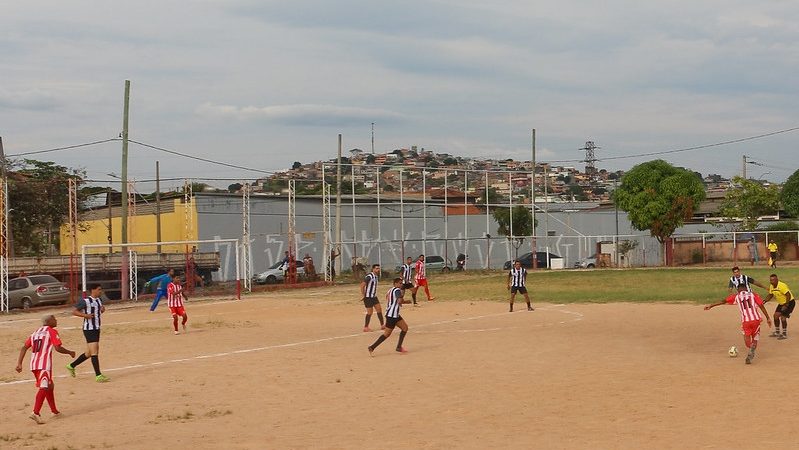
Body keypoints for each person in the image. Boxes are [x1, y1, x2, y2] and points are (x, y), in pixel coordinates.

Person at [15, 314, 76, 424]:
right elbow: (57, 348)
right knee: (44, 386)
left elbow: (24, 347)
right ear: (49, 321)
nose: (56, 320)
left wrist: (19, 363)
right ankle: (35, 412)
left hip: (34, 364)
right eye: (54, 318)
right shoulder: (51, 331)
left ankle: (54, 411)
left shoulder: (35, 332)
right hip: (44, 365)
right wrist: (70, 352)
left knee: (50, 386)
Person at [705, 283, 772, 364]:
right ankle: (753, 348)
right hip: (756, 320)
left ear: (738, 290)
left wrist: (711, 306)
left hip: (746, 322)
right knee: (755, 337)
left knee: (747, 339)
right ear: (746, 289)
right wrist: (768, 318)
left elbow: (723, 301)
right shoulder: (753, 294)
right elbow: (761, 305)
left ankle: (750, 347)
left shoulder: (736, 296)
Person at [66, 284, 109, 382]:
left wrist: (102, 310)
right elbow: (74, 311)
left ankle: (71, 365)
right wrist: (86, 315)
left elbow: (98, 311)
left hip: (96, 328)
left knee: (89, 353)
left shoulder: (99, 300)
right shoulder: (85, 301)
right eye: (99, 290)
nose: (100, 291)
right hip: (89, 329)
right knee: (95, 352)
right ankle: (98, 375)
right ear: (92, 290)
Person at [368, 278, 411, 355]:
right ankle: (372, 347)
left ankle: (399, 347)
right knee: (387, 334)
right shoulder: (397, 290)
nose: (401, 285)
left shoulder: (390, 290)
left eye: (402, 283)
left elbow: (388, 298)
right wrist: (406, 301)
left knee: (405, 328)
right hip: (392, 316)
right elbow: (399, 301)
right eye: (400, 283)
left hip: (393, 314)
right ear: (395, 283)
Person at [763, 274, 795, 339]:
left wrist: (786, 305)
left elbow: (788, 295)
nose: (772, 281)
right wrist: (764, 301)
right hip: (781, 303)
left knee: (783, 317)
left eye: (773, 280)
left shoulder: (782, 286)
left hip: (789, 302)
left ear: (777, 280)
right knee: (776, 316)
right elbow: (770, 295)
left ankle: (784, 334)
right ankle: (777, 332)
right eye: (771, 280)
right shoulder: (772, 286)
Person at [360, 264, 385, 332]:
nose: (378, 270)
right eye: (376, 268)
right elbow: (362, 285)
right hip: (368, 297)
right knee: (369, 312)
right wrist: (363, 295)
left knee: (379, 309)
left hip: (374, 297)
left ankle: (382, 325)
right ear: (373, 269)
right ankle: (366, 327)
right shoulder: (369, 276)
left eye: (379, 268)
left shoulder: (376, 277)